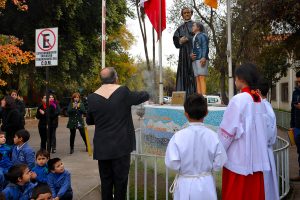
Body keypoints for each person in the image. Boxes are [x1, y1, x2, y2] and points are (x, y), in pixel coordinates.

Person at [86, 67, 149, 200]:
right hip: (121, 146)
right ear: (116, 78)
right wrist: (148, 92)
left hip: (102, 147)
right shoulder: (123, 92)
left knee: (106, 182)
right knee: (120, 183)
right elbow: (140, 97)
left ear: (101, 80)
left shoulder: (92, 97)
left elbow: (90, 120)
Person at [218, 63, 271, 200]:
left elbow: (228, 132)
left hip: (238, 160)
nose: (235, 80)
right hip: (256, 160)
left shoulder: (239, 99)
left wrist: (218, 152)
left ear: (241, 78)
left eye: (235, 77)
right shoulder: (258, 99)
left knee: (237, 194)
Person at [165, 94, 227, 200]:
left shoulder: (178, 137)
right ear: (206, 113)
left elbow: (172, 163)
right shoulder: (213, 136)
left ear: (186, 114)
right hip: (206, 184)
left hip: (185, 183)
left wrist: (185, 168)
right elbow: (220, 162)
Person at [257, 78, 279, 200]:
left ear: (258, 91)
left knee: (265, 186)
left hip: (263, 151)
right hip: (266, 150)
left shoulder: (262, 108)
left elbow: (266, 133)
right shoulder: (267, 106)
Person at [173, 7, 196, 97]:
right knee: (183, 74)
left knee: (194, 74)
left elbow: (201, 38)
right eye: (185, 13)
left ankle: (194, 96)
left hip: (194, 54)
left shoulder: (196, 25)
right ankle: (182, 96)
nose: (186, 14)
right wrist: (180, 41)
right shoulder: (180, 28)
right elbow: (175, 41)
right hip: (183, 55)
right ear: (182, 15)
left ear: (191, 13)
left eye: (188, 12)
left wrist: (189, 39)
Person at [191, 22, 209, 95]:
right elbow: (194, 47)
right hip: (195, 59)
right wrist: (191, 54)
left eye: (194, 26)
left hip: (201, 58)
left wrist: (204, 57)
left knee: (201, 77)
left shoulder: (203, 35)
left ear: (198, 28)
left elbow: (205, 46)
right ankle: (199, 96)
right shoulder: (194, 37)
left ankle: (203, 96)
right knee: (197, 78)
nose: (192, 27)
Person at [290, 71, 300, 181]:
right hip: (297, 127)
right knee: (299, 151)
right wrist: (291, 125)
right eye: (297, 82)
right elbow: (293, 109)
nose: (298, 84)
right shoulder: (295, 93)